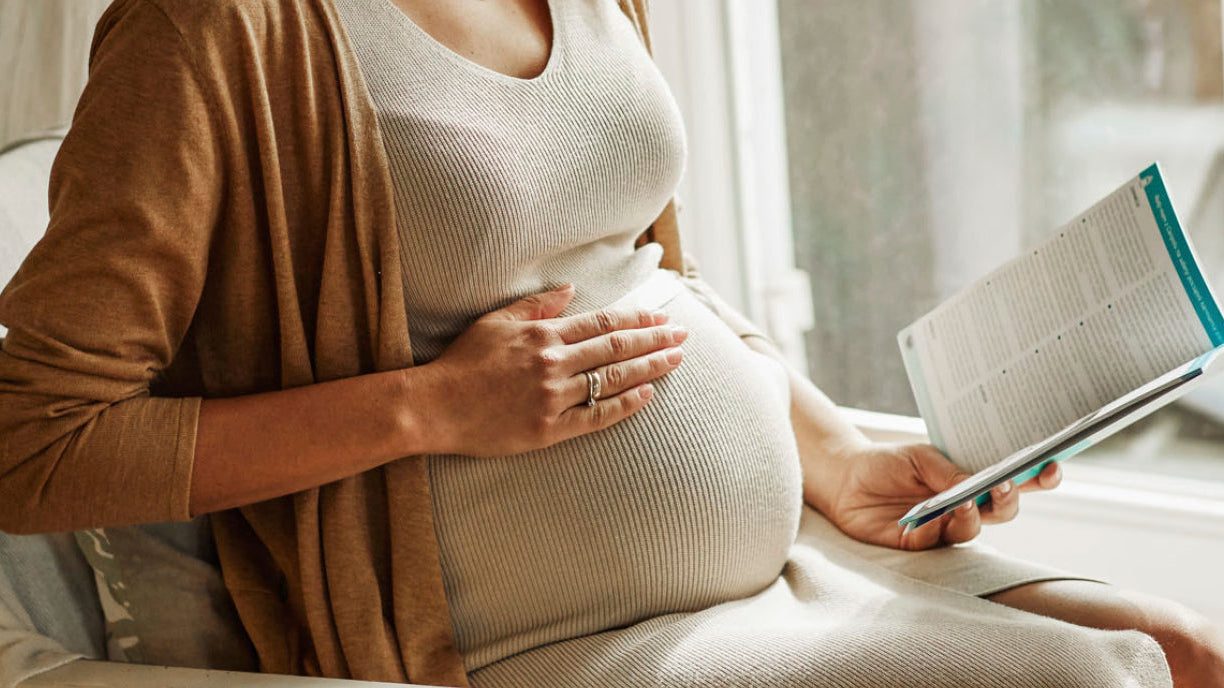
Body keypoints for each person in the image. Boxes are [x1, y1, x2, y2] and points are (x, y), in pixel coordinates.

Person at [0, 0, 1220, 686]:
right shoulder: (211, 31)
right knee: (1093, 684)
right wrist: (431, 407)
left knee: (1193, 651)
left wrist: (838, 459)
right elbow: (33, 444)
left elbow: (648, 277)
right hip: (547, 637)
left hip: (781, 555)